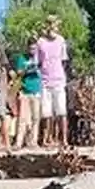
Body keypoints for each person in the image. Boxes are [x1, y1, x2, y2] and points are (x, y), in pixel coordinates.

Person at [36, 15, 70, 149]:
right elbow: (37, 62)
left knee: (61, 111)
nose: (53, 27)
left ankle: (64, 140)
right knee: (46, 113)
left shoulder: (61, 40)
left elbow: (64, 60)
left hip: (58, 80)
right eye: (50, 24)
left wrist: (60, 74)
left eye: (55, 25)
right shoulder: (40, 42)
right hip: (45, 81)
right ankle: (46, 139)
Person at [13, 38, 42, 149]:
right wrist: (27, 68)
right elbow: (18, 72)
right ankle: (18, 142)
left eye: (34, 48)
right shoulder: (22, 58)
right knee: (23, 118)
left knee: (36, 118)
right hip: (25, 91)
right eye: (30, 48)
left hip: (36, 91)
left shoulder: (39, 58)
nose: (32, 50)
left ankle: (33, 142)